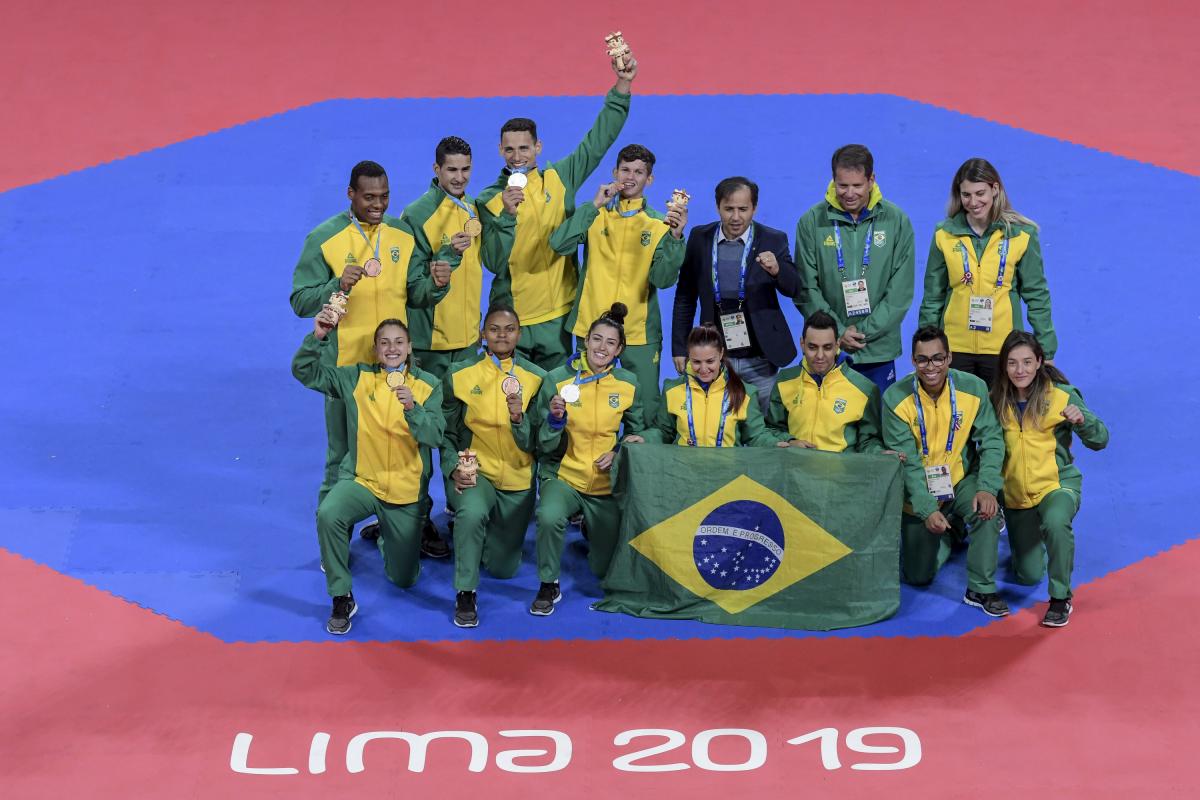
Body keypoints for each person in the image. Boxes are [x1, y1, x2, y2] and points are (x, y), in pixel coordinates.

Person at [289, 160, 450, 551]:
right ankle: (334, 539)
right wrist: (334, 284)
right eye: (369, 197)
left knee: (409, 450)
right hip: (347, 371)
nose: (378, 204)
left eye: (384, 196)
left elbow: (416, 293)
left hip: (398, 367)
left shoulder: (401, 235)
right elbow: (299, 300)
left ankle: (412, 522)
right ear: (350, 194)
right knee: (342, 458)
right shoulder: (324, 238)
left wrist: (437, 286)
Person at [476, 50, 638, 371]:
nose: (517, 155)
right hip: (514, 318)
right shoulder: (488, 199)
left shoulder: (560, 177)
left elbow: (597, 142)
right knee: (514, 402)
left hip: (559, 315)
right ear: (499, 151)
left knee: (555, 406)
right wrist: (506, 217)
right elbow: (493, 263)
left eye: (524, 147)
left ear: (538, 147)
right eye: (509, 149)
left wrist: (622, 84)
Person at [399, 136, 519, 553]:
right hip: (429, 347)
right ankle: (414, 519)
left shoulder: (472, 210)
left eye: (466, 170)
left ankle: (459, 506)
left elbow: (495, 263)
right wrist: (446, 258)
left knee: (463, 433)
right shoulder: (416, 216)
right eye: (451, 170)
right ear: (436, 170)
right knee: (419, 436)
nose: (459, 177)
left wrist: (505, 216)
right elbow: (413, 289)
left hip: (468, 346)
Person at [292, 310, 445, 635]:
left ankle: (387, 537)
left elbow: (434, 436)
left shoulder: (428, 386)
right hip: (363, 482)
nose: (392, 349)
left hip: (405, 492)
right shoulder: (355, 379)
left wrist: (412, 409)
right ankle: (341, 595)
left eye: (399, 342)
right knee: (329, 513)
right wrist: (317, 336)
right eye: (385, 343)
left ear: (409, 347)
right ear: (376, 350)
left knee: (404, 578)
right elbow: (304, 372)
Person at [549, 143, 686, 418]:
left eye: (639, 172)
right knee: (581, 408)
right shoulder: (595, 215)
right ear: (614, 172)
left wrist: (675, 238)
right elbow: (559, 244)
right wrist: (594, 204)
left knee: (645, 411)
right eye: (625, 169)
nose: (630, 177)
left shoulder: (661, 224)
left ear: (650, 179)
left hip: (639, 331)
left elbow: (663, 279)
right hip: (591, 327)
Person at [882, 326, 1009, 616]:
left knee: (986, 512)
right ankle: (952, 534)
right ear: (913, 361)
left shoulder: (973, 388)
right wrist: (927, 509)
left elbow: (992, 440)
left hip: (962, 480)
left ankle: (980, 588)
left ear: (950, 357)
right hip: (918, 492)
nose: (931, 367)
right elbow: (909, 464)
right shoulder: (895, 399)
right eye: (923, 360)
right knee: (918, 575)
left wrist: (987, 487)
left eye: (938, 358)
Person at [530, 303, 647, 615]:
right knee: (549, 516)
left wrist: (621, 450)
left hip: (604, 484)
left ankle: (591, 528)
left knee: (602, 570)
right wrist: (555, 421)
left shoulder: (628, 383)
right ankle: (548, 583)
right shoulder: (557, 379)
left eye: (610, 343)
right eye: (597, 339)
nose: (602, 347)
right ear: (585, 340)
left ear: (620, 349)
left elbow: (641, 432)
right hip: (564, 476)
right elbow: (540, 441)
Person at [991, 331, 1108, 627]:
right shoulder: (995, 401)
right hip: (1017, 495)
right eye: (1013, 363)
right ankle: (1035, 541)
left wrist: (1083, 421)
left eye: (1028, 362)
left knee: (1056, 522)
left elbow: (1101, 440)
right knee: (1028, 574)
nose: (1020, 370)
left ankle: (1060, 598)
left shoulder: (1062, 395)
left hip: (1056, 486)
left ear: (1040, 362)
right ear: (1004, 366)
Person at [440, 304, 545, 628]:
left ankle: (477, 535)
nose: (502, 335)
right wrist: (452, 467)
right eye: (495, 329)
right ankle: (466, 592)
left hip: (518, 477)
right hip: (477, 470)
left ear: (519, 334)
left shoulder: (537, 379)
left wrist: (519, 419)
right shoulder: (459, 374)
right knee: (471, 513)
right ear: (483, 334)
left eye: (509, 329)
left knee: (503, 568)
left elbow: (540, 441)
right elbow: (445, 432)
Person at [918, 157, 1056, 385]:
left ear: (995, 189)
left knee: (1001, 418)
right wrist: (926, 348)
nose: (973, 202)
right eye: (966, 195)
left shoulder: (1022, 235)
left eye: (980, 193)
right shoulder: (944, 234)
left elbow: (1037, 296)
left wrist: (1047, 350)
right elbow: (933, 296)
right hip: (954, 346)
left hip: (1004, 348)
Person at [671, 177, 799, 415]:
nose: (736, 217)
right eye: (729, 209)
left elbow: (794, 288)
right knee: (717, 427)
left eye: (743, 209)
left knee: (764, 430)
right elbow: (685, 296)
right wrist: (679, 347)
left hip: (762, 357)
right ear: (718, 206)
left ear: (754, 208)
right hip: (716, 360)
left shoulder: (773, 239)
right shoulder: (700, 238)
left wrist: (777, 271)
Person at [794, 144, 915, 395]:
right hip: (828, 350)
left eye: (857, 186)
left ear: (871, 180)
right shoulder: (811, 222)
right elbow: (806, 287)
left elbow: (899, 292)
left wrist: (860, 333)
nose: (849, 193)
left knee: (879, 428)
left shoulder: (896, 221)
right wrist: (837, 332)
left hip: (878, 349)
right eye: (842, 185)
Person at [767, 310, 889, 454]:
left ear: (837, 345)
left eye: (827, 347)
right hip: (796, 471)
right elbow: (772, 429)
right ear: (802, 344)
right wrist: (789, 441)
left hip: (842, 474)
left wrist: (879, 453)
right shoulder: (784, 380)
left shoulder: (864, 389)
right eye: (812, 347)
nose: (820, 356)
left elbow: (869, 441)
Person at [658, 324, 776, 446]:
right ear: (689, 356)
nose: (703, 369)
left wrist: (775, 444)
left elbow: (756, 436)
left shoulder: (745, 393)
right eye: (697, 362)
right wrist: (644, 439)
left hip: (728, 465)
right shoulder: (672, 390)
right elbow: (663, 432)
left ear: (721, 354)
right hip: (684, 465)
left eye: (710, 361)